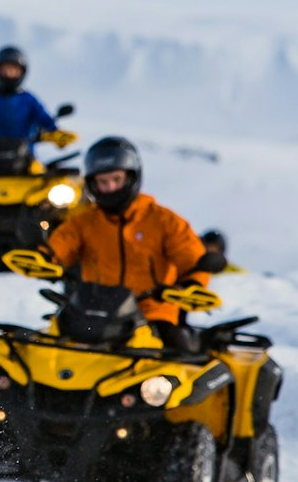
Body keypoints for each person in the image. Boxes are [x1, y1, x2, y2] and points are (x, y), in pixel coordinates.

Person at [46, 136, 210, 347]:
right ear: (92, 184)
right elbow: (59, 246)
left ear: (132, 177)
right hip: (93, 313)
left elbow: (193, 260)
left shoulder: (164, 221)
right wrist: (43, 257)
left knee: (179, 353)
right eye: (103, 182)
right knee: (56, 348)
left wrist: (191, 284)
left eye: (117, 179)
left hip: (152, 313)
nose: (111, 187)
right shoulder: (83, 222)